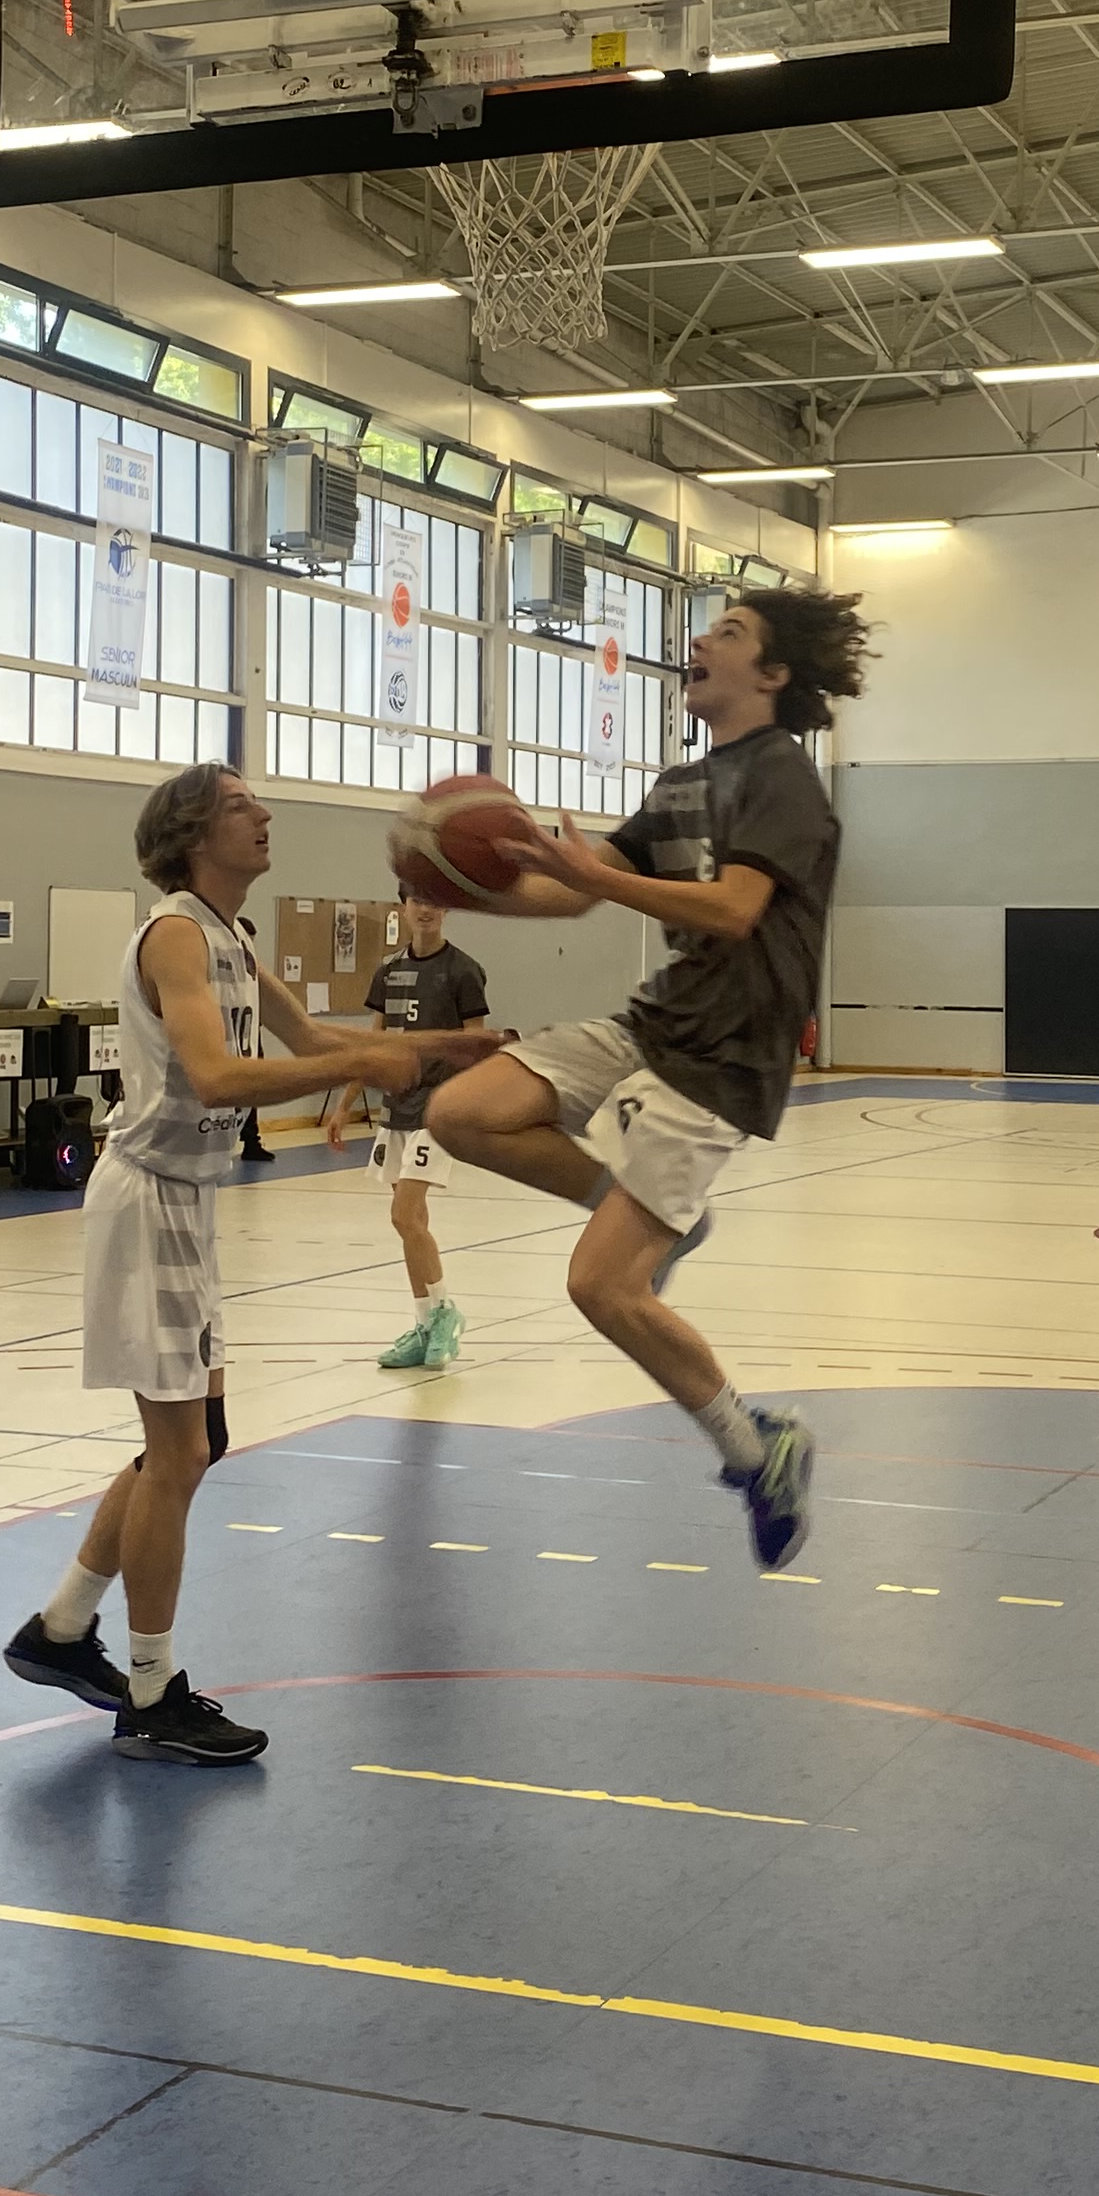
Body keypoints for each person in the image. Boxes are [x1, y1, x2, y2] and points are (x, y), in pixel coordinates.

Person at [2, 765, 507, 1763]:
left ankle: (60, 1629)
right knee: (178, 1455)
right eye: (241, 805)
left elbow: (310, 1035)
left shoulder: (228, 934)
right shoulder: (177, 934)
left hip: (185, 1202)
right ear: (192, 833)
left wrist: (451, 1044)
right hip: (147, 1200)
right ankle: (152, 1693)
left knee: (198, 1441)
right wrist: (363, 1065)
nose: (265, 814)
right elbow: (217, 1076)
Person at [428, 584, 867, 1570]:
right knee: (463, 1113)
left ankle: (757, 1447)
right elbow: (569, 894)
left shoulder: (784, 777)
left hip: (726, 1054)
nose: (700, 640)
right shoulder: (680, 783)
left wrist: (593, 877)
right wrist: (454, 883)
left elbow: (735, 909)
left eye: (729, 632)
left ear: (773, 673)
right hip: (656, 1021)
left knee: (601, 1286)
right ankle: (654, 1215)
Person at [325, 894, 492, 1371]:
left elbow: (477, 1046)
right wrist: (343, 1106)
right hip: (396, 1107)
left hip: (438, 1109)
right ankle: (426, 1322)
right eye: (417, 900)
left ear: (446, 909)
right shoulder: (388, 971)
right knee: (410, 1222)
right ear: (402, 907)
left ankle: (443, 1313)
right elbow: (374, 1045)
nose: (426, 909)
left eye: (434, 901)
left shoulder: (463, 971)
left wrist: (475, 1108)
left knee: (404, 1213)